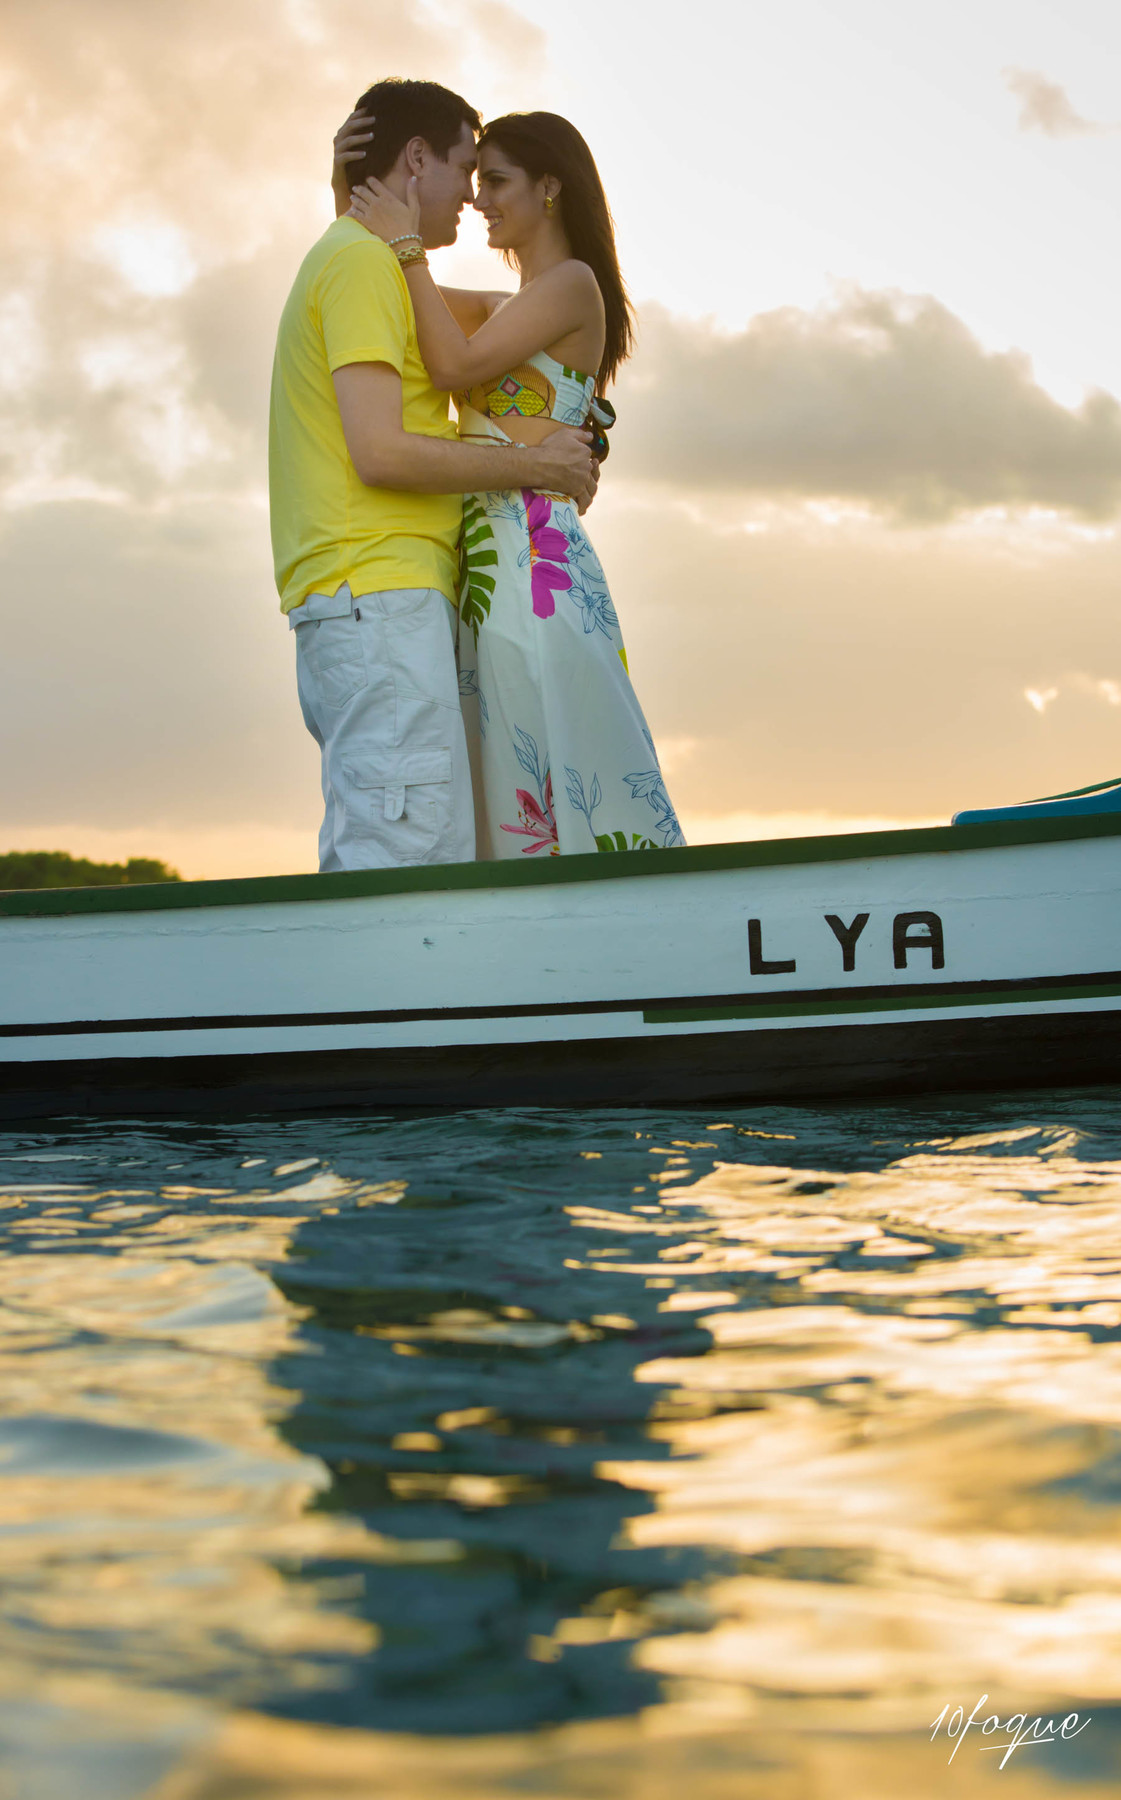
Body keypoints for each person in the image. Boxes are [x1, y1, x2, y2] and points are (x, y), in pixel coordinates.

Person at [269, 80, 597, 872]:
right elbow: (380, 452)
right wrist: (538, 463)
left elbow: (501, 315)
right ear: (417, 160)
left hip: (384, 594)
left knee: (426, 851)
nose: (470, 195)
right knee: (404, 862)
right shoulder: (362, 265)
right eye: (462, 168)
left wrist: (355, 199)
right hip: (375, 590)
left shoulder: (369, 260)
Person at [340, 110, 684, 858]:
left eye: (496, 180)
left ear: (550, 186)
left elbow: (453, 366)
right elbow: (401, 301)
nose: (479, 199)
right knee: (518, 772)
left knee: (553, 760)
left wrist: (406, 244)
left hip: (532, 563)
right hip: (495, 563)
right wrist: (351, 196)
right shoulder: (514, 305)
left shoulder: (571, 284)